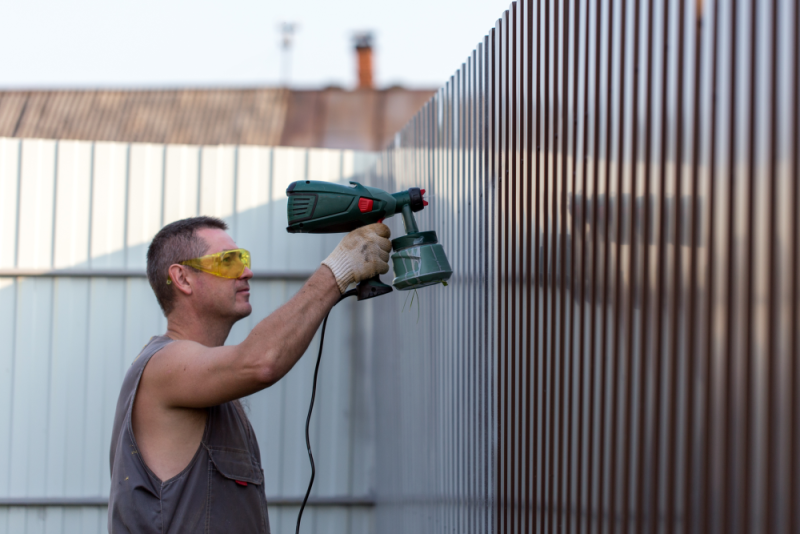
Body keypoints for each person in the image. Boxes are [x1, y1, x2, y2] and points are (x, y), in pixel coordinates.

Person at [108, 216, 391, 533]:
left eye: (243, 259)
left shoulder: (207, 387)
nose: (246, 271)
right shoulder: (164, 365)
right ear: (182, 279)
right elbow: (261, 362)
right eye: (229, 261)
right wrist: (337, 269)